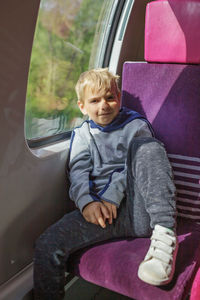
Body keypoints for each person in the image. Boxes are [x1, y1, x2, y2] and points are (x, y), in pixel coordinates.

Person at [33, 68, 178, 300]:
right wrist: (87, 203)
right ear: (82, 106)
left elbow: (136, 168)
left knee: (148, 148)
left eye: (110, 98)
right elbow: (78, 172)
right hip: (100, 214)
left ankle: (165, 232)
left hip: (138, 209)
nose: (104, 105)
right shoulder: (82, 134)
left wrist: (112, 195)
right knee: (46, 245)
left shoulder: (135, 126)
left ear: (118, 98)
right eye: (95, 100)